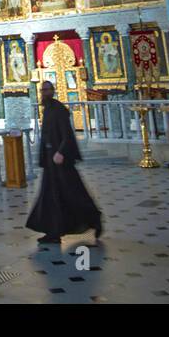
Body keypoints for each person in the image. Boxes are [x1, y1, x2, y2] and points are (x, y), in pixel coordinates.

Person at [26, 81, 102, 245]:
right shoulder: (47, 110)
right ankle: (53, 232)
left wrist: (61, 152)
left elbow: (67, 134)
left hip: (61, 160)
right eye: (42, 90)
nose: (44, 93)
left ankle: (95, 218)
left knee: (74, 193)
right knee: (50, 196)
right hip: (50, 160)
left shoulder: (59, 110)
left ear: (52, 91)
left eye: (47, 90)